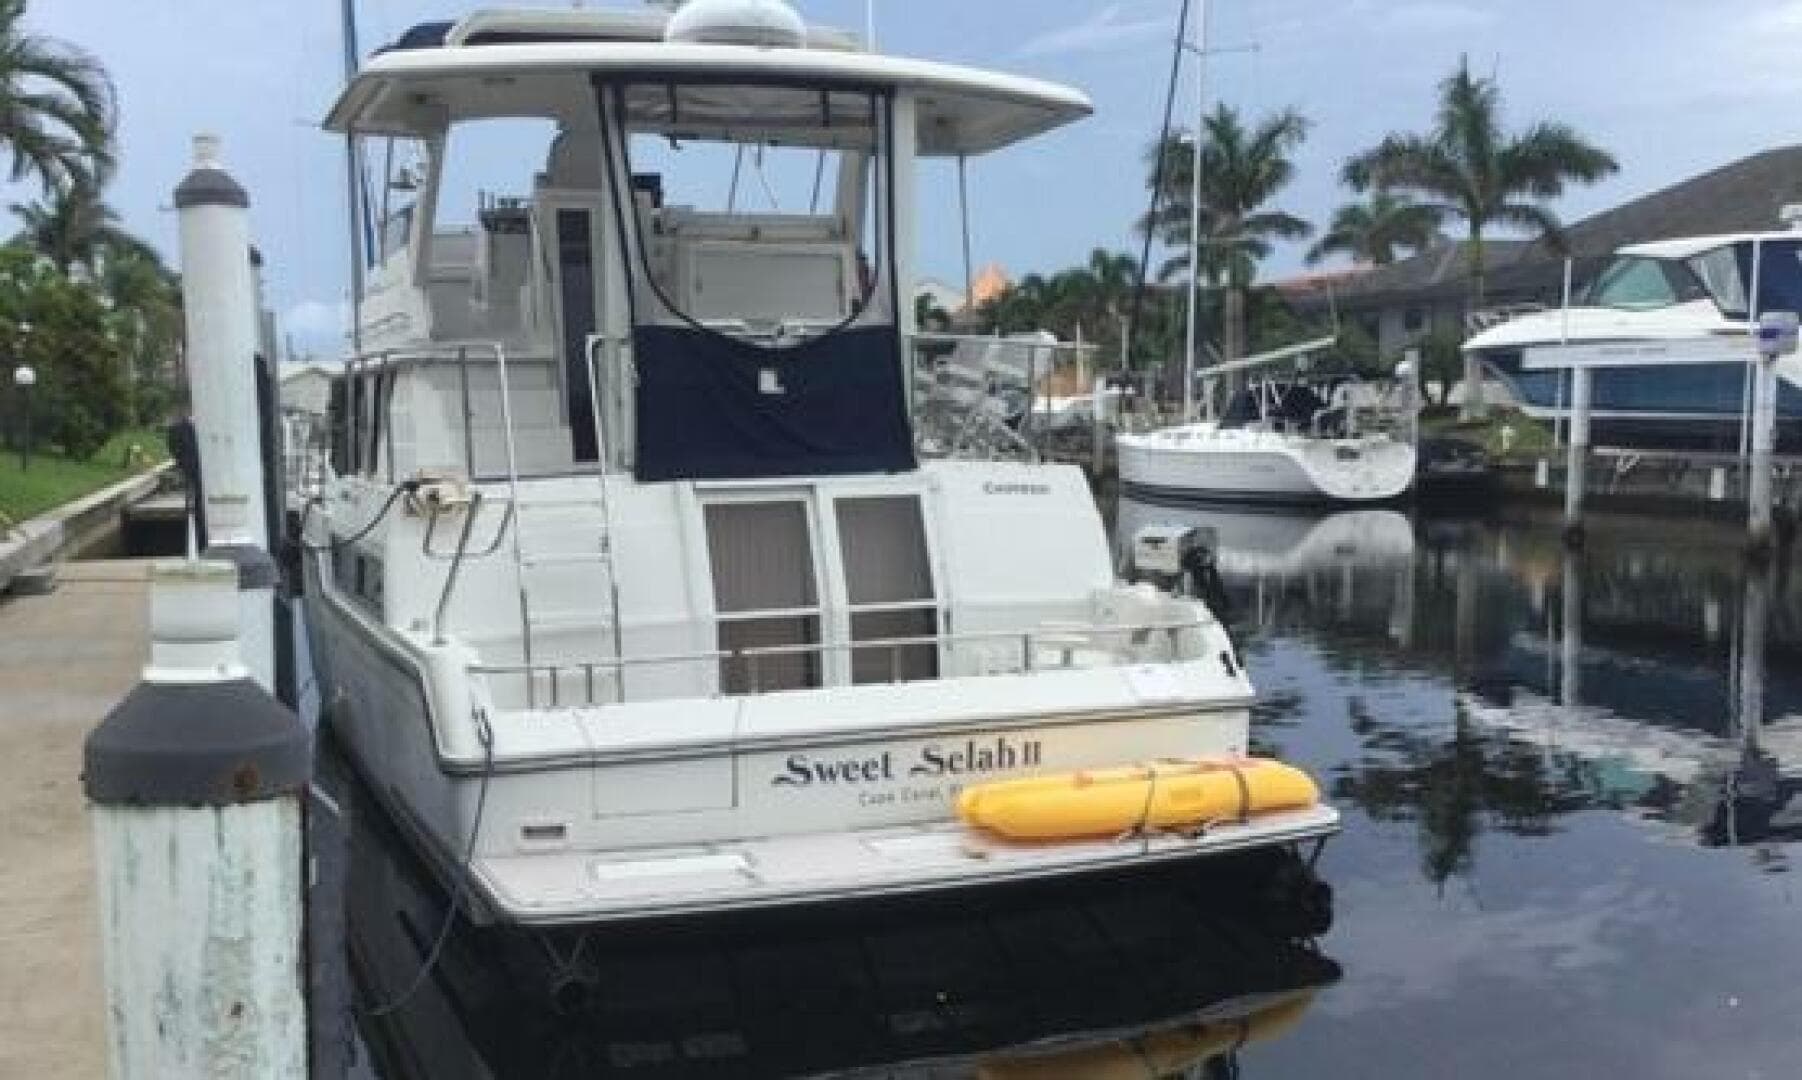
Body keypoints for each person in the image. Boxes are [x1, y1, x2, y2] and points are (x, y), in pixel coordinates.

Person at [165, 409, 206, 551]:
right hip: (194, 472)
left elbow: (175, 449)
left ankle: (199, 543)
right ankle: (198, 544)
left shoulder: (178, 428)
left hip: (197, 473)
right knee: (195, 508)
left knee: (196, 507)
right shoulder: (178, 429)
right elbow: (175, 450)